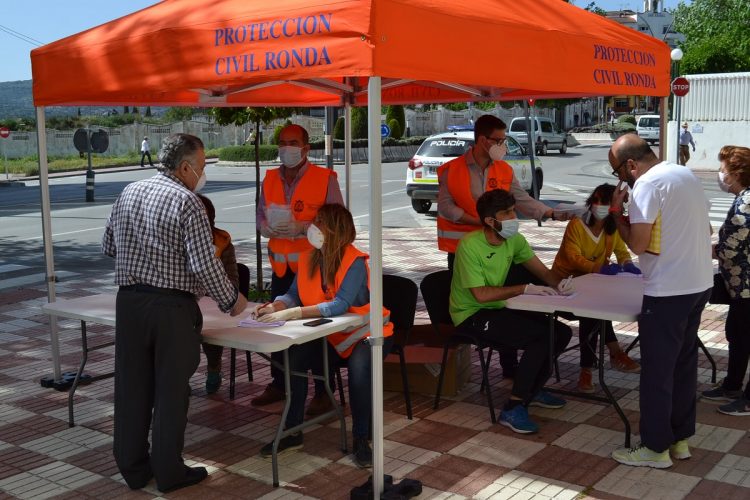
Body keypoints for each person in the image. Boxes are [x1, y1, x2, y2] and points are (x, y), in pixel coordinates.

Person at [102, 133, 248, 492]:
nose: (202, 173)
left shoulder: (128, 192)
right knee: (171, 392)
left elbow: (108, 246)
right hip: (172, 307)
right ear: (184, 166)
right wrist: (233, 300)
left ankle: (134, 469)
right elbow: (204, 264)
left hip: (130, 303)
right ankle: (169, 472)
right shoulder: (188, 202)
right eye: (201, 166)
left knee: (132, 388)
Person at [254, 204, 393, 467]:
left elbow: (340, 304)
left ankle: (362, 438)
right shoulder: (308, 256)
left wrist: (293, 314)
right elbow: (293, 293)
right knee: (293, 359)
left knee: (360, 371)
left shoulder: (355, 261)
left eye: (319, 222)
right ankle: (292, 431)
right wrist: (276, 305)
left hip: (367, 333)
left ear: (335, 229)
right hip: (331, 336)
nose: (312, 227)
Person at [608, 133, 712, 468]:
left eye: (619, 172)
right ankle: (679, 440)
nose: (621, 179)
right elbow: (707, 228)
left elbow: (637, 245)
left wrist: (616, 214)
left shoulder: (647, 185)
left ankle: (655, 449)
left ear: (631, 164)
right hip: (698, 284)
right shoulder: (685, 175)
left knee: (657, 372)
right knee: (683, 366)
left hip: (667, 291)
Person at [437, 114, 569, 378]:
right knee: (479, 302)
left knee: (504, 300)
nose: (503, 145)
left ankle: (512, 368)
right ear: (483, 140)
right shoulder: (453, 169)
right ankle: (475, 360)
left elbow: (521, 199)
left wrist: (549, 213)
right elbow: (444, 205)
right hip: (462, 249)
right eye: (498, 140)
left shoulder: (504, 170)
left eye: (504, 139)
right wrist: (478, 221)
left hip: (499, 246)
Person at [449, 188, 573, 434]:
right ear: (490, 221)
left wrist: (562, 284)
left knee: (560, 332)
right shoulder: (469, 246)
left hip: (497, 308)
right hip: (471, 314)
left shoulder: (515, 240)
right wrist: (524, 288)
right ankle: (513, 407)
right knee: (539, 338)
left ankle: (532, 390)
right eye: (507, 213)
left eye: (513, 210)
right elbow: (480, 295)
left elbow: (543, 272)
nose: (514, 217)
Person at [253, 124, 344, 416]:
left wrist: (303, 228)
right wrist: (266, 227)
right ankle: (279, 383)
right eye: (282, 142)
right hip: (281, 267)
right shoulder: (269, 178)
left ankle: (323, 390)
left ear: (306, 148)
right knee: (278, 325)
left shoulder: (324, 177)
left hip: (313, 269)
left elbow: (338, 221)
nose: (286, 148)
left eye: (292, 142)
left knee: (316, 329)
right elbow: (259, 213)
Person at [551, 183, 641, 394]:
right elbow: (573, 258)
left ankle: (597, 363)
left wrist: (627, 263)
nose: (598, 205)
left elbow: (621, 250)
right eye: (596, 200)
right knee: (591, 314)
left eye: (605, 202)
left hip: (593, 284)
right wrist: (598, 267)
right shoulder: (576, 225)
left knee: (596, 309)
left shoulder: (612, 228)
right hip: (564, 285)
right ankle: (603, 358)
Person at [701, 146, 750, 416]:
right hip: (738, 286)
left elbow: (731, 247)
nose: (720, 175)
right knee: (737, 336)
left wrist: (698, 248)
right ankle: (732, 385)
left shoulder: (747, 202)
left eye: (723, 170)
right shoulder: (742, 197)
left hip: (746, 286)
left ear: (736, 173)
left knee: (745, 337)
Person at [195, 193, 247, 395]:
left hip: (215, 302)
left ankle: (214, 367)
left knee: (211, 327)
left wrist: (214, 290)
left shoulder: (223, 242)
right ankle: (179, 378)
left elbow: (233, 280)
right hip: (188, 302)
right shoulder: (178, 240)